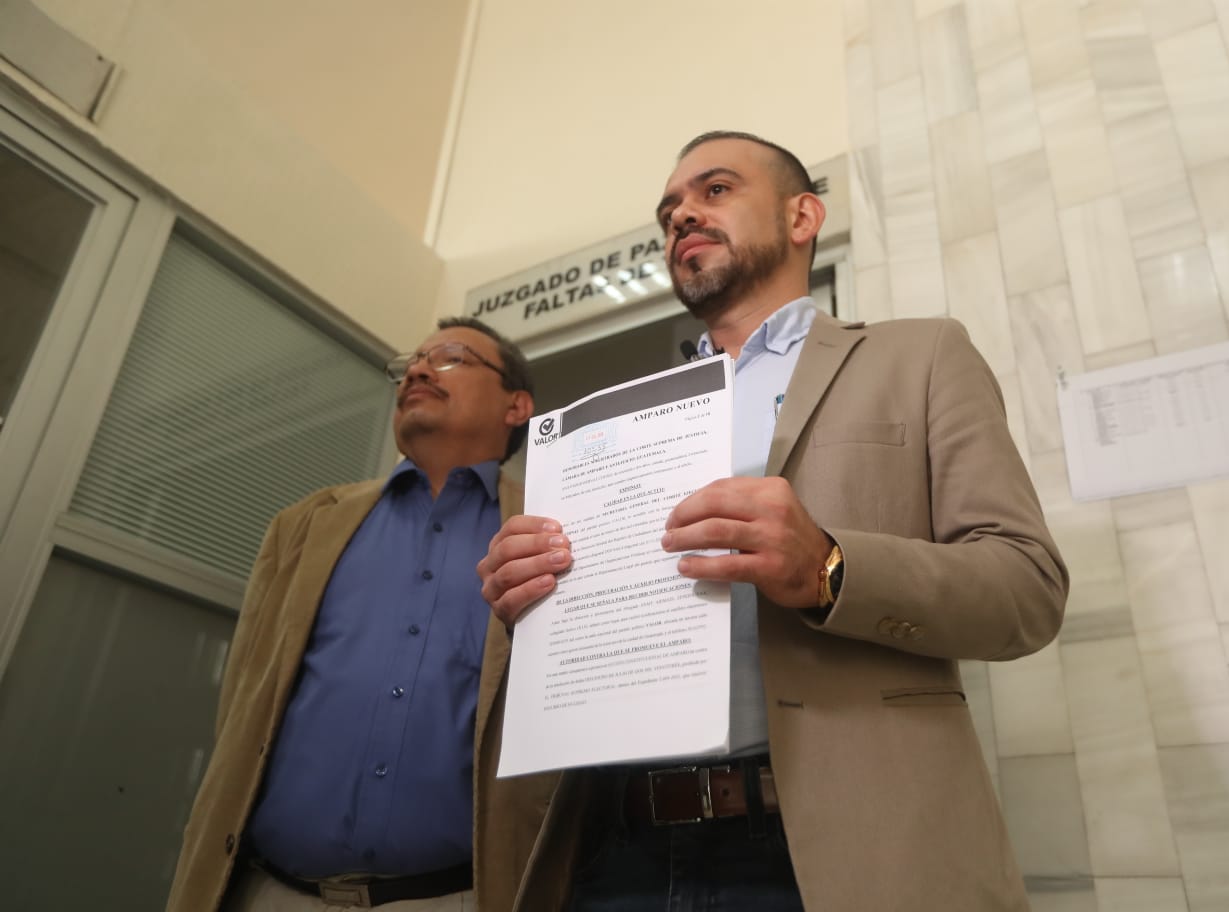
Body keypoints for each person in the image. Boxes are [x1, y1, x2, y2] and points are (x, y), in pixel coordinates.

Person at [474, 131, 1069, 911]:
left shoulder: (918, 355)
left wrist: (828, 566)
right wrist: (537, 601)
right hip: (616, 855)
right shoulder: (614, 430)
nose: (682, 214)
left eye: (714, 190)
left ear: (803, 217)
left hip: (838, 852)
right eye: (669, 211)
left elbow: (1026, 589)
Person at [166, 316, 556, 912]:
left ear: (516, 405)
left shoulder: (551, 529)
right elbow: (243, 704)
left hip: (456, 898)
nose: (419, 370)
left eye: (451, 357)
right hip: (268, 892)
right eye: (411, 364)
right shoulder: (303, 527)